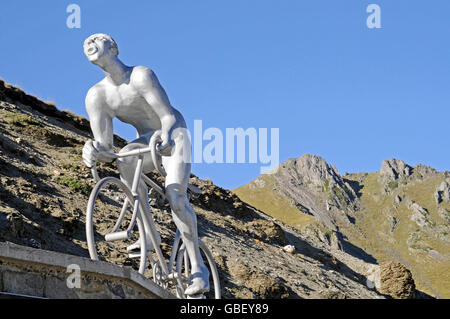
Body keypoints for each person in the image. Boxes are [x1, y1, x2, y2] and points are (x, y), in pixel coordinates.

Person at [81, 33, 209, 295]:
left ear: (113, 48)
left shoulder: (140, 76)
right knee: (126, 157)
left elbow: (168, 116)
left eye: (96, 38)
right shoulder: (97, 96)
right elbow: (107, 150)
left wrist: (166, 134)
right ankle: (148, 234)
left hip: (174, 134)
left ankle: (198, 269)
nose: (88, 43)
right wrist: (92, 150)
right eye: (85, 42)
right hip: (147, 142)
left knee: (176, 198)